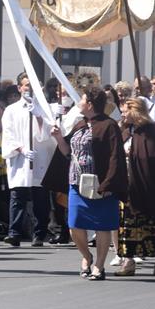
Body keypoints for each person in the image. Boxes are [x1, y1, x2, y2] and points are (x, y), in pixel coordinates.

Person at [52, 86, 127, 280]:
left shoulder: (109, 125)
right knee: (74, 224)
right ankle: (86, 256)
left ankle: (99, 266)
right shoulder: (80, 125)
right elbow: (69, 153)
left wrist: (108, 184)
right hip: (77, 183)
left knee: (102, 226)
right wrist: (59, 138)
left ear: (90, 104)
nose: (79, 102)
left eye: (82, 99)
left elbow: (115, 157)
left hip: (102, 185)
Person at [1, 73, 55, 247]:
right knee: (18, 196)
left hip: (39, 158)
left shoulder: (44, 108)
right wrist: (21, 149)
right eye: (26, 86)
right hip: (20, 159)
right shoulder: (11, 110)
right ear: (19, 88)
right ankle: (14, 232)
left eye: (32, 86)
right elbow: (8, 134)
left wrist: (39, 116)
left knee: (40, 197)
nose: (29, 89)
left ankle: (39, 234)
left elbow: (46, 135)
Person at [117, 98, 155, 275]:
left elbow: (148, 158)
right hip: (128, 186)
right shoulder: (125, 130)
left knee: (150, 224)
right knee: (127, 226)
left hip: (146, 185)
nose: (123, 114)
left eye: (125, 111)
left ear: (135, 111)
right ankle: (128, 262)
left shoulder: (149, 132)